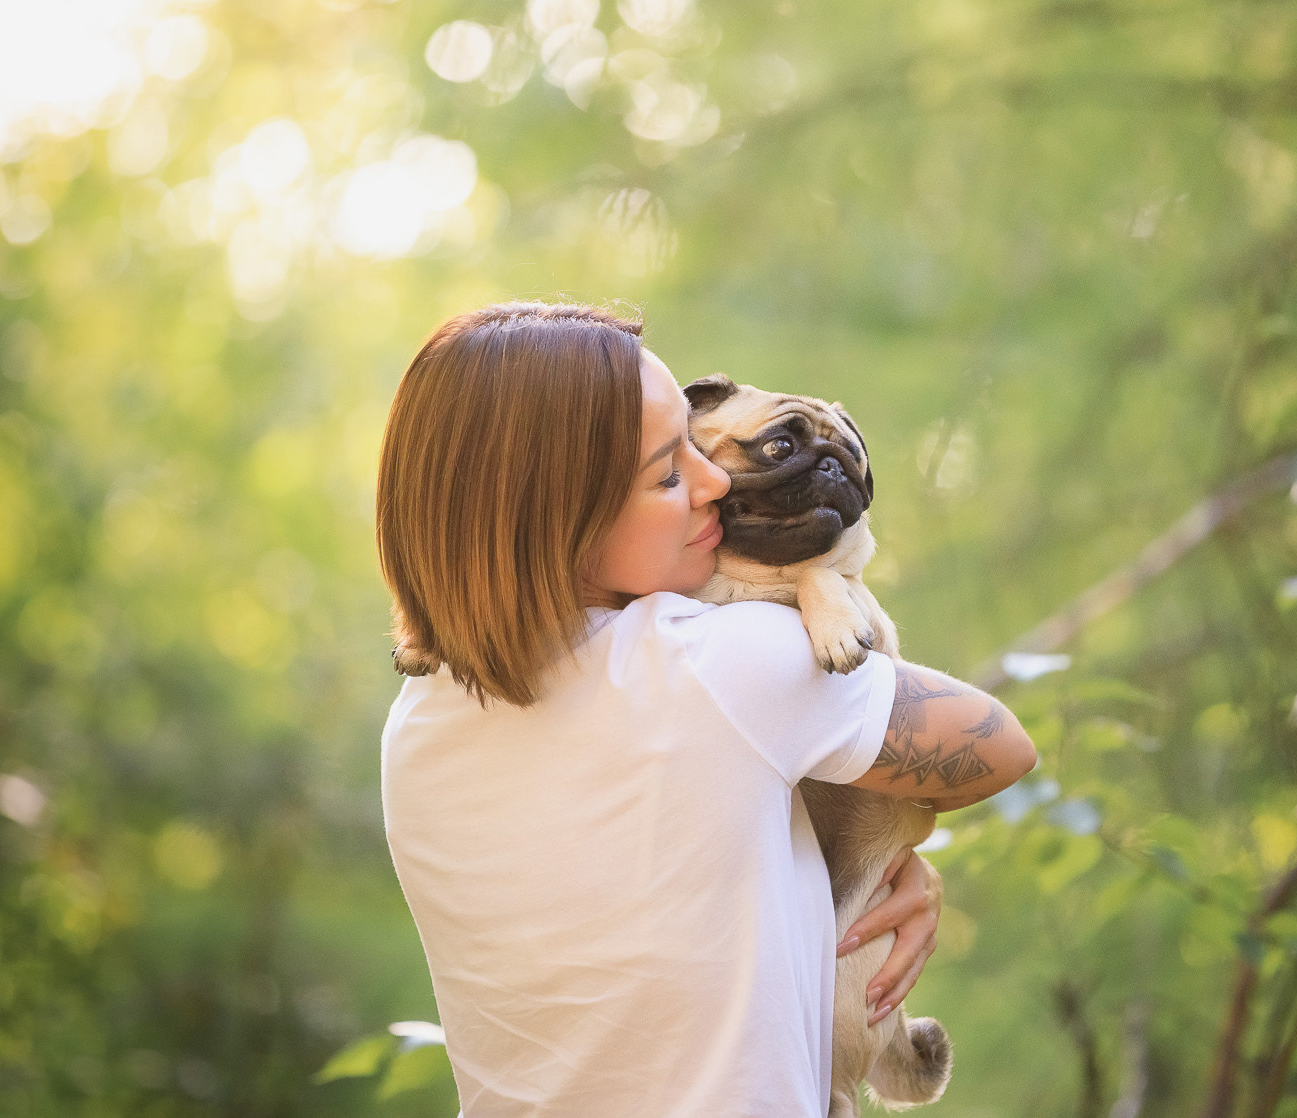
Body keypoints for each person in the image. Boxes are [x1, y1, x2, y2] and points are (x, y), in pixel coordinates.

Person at [375, 302, 1036, 1116]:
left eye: (696, 442)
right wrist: (897, 867)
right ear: (559, 518)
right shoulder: (721, 664)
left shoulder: (413, 723)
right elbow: (1002, 746)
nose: (715, 481)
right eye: (667, 472)